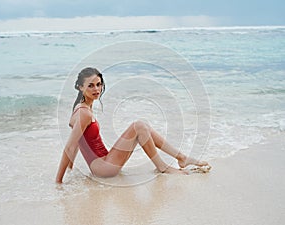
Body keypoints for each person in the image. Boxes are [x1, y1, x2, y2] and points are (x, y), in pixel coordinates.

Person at [56, 67, 210, 183]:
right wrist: (59, 182)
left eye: (98, 84)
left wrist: (71, 167)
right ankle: (163, 167)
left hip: (104, 163)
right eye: (90, 86)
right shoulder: (84, 113)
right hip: (104, 168)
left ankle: (181, 158)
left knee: (143, 127)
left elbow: (77, 140)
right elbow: (69, 146)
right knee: (139, 126)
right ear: (80, 87)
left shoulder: (80, 108)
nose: (96, 89)